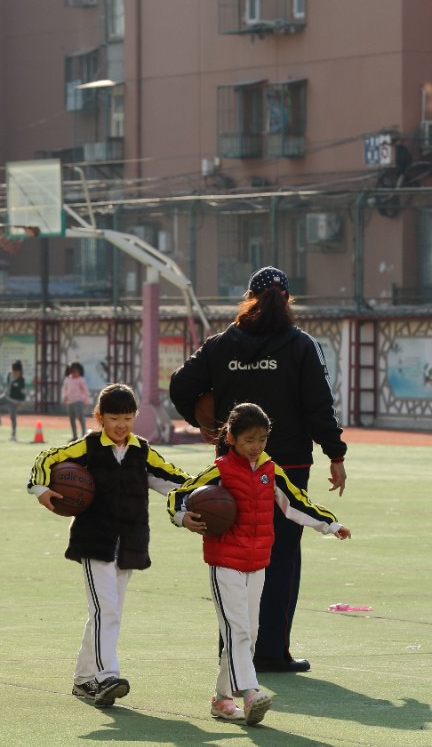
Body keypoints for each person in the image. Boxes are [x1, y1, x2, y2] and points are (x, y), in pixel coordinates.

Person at [169, 265, 347, 673]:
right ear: (287, 300)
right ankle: (270, 651)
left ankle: (232, 650)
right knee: (281, 555)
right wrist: (335, 455)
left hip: (230, 464)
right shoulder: (301, 345)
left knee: (233, 555)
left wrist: (204, 424)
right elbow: (320, 405)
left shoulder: (220, 345)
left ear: (248, 298)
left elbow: (181, 385)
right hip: (288, 465)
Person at [169, 403, 351, 725]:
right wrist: (184, 517)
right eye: (249, 440)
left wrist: (331, 525)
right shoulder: (220, 469)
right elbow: (179, 494)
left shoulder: (270, 470)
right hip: (224, 561)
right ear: (231, 437)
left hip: (257, 563)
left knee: (249, 632)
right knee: (236, 629)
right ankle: (250, 692)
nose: (256, 447)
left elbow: (296, 502)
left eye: (262, 439)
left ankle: (222, 700)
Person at [27, 383, 191, 707]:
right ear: (99, 417)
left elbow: (176, 480)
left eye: (127, 418)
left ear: (135, 417)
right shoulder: (87, 447)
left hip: (129, 544)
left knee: (105, 613)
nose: (121, 425)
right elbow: (48, 457)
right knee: (106, 610)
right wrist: (40, 489)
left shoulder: (142, 451)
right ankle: (106, 677)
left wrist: (196, 500)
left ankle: (83, 679)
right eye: (114, 418)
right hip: (94, 541)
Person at [0, 360, 27, 441]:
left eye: (16, 371)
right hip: (6, 396)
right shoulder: (9, 375)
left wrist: (21, 403)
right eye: (13, 371)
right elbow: (8, 385)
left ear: (19, 371)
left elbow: (23, 393)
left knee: (12, 417)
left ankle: (13, 435)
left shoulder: (21, 380)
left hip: (14, 401)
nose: (14, 373)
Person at [61, 361, 91, 440]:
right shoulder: (67, 379)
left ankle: (84, 434)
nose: (75, 373)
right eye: (73, 371)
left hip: (78, 401)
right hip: (70, 402)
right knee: (72, 419)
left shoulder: (81, 380)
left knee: (80, 418)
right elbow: (64, 389)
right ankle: (74, 436)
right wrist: (64, 397)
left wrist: (87, 401)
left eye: (76, 371)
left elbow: (85, 391)